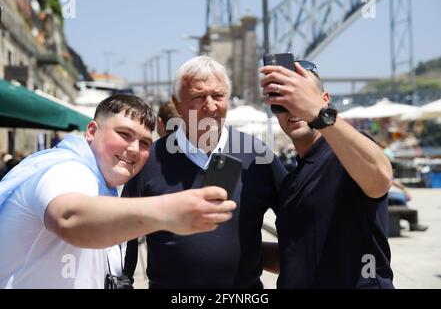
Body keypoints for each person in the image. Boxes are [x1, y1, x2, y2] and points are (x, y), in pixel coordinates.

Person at [0, 94, 236, 289]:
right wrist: (168, 211)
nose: (134, 149)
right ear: (92, 131)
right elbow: (69, 217)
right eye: (124, 135)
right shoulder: (67, 169)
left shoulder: (100, 183)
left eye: (144, 143)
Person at [122, 56, 286, 289]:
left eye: (218, 96)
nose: (210, 107)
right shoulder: (149, 161)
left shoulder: (258, 156)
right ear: (177, 104)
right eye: (198, 98)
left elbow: (295, 217)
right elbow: (124, 232)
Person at [260, 60, 394, 288]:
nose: (293, 108)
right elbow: (296, 259)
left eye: (301, 97)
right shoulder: (292, 179)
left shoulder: (345, 155)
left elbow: (380, 177)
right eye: (281, 102)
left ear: (324, 99)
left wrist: (319, 114)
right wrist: (236, 246)